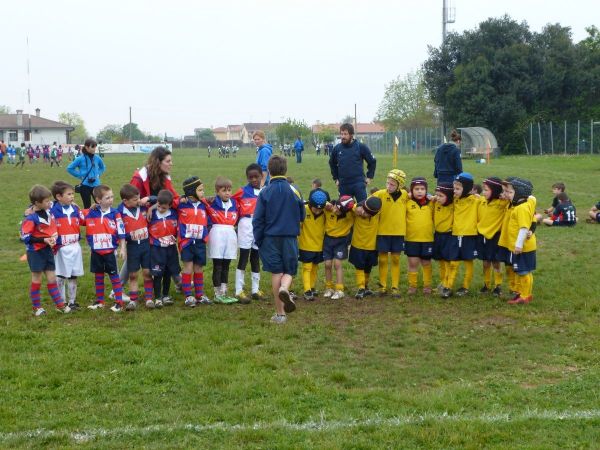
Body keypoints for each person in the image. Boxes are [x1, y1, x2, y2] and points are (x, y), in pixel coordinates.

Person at [253, 155, 305, 324]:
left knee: (276, 272)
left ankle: (280, 314)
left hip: (270, 238)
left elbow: (258, 219)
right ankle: (285, 288)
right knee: (289, 270)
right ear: (286, 169)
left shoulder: (265, 191)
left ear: (268, 171)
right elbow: (302, 215)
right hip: (290, 237)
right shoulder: (295, 190)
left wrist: (259, 240)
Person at [20, 185, 71, 316]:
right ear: (37, 203)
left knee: (52, 278)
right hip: (35, 252)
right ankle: (37, 307)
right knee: (37, 279)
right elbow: (25, 237)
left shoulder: (49, 211)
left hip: (47, 250)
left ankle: (59, 305)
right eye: (47, 201)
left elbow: (59, 203)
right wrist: (44, 240)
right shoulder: (31, 219)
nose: (50, 203)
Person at [82, 185, 126, 312]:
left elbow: (121, 232)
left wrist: (122, 248)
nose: (111, 199)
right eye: (108, 197)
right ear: (98, 200)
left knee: (114, 276)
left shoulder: (115, 213)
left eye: (112, 197)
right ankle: (100, 301)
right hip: (96, 252)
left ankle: (119, 302)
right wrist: (89, 208)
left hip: (110, 252)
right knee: (98, 276)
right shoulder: (91, 213)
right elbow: (77, 216)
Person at [117, 184, 155, 310]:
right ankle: (133, 300)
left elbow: (159, 199)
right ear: (125, 201)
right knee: (133, 274)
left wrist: (148, 198)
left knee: (147, 272)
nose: (138, 201)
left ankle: (149, 298)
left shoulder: (143, 206)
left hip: (145, 245)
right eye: (134, 199)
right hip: (132, 246)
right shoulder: (120, 212)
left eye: (139, 198)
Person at [441, 173, 478, 299]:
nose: (454, 191)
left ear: (467, 188)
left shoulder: (476, 200)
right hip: (455, 235)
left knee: (468, 262)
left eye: (458, 188)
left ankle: (465, 287)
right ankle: (448, 287)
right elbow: (440, 196)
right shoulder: (454, 199)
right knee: (453, 262)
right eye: (454, 188)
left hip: (469, 236)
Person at [373, 169, 408, 297]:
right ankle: (382, 287)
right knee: (382, 259)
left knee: (395, 258)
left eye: (392, 184)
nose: (389, 186)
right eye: (387, 183)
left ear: (400, 185)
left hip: (398, 233)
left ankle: (395, 287)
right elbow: (367, 203)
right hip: (383, 232)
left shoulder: (405, 195)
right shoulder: (380, 194)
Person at [50, 181, 84, 310]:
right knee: (61, 274)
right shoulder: (52, 210)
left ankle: (72, 301)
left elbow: (84, 220)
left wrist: (92, 209)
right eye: (69, 194)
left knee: (73, 274)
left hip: (75, 246)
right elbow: (38, 207)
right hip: (61, 247)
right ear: (59, 197)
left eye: (72, 194)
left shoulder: (75, 209)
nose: (72, 196)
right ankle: (61, 302)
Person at [204, 176, 239, 304]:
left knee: (226, 265)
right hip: (217, 234)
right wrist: (208, 197)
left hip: (230, 235)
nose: (227, 193)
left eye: (229, 190)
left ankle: (224, 291)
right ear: (217, 191)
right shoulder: (212, 202)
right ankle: (217, 293)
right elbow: (199, 199)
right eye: (224, 190)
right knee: (217, 265)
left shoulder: (235, 203)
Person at [232, 163, 264, 303]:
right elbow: (229, 200)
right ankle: (239, 290)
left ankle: (255, 289)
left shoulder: (265, 191)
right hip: (245, 224)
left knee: (256, 257)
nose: (253, 180)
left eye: (256, 177)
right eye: (250, 177)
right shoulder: (242, 191)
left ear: (261, 176)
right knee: (244, 257)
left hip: (259, 225)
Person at [178, 177, 212, 307]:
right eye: (200, 190)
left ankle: (199, 294)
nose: (203, 192)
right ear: (192, 191)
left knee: (199, 267)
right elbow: (167, 200)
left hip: (200, 242)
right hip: (187, 242)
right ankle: (188, 295)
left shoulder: (204, 205)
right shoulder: (181, 204)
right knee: (188, 267)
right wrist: (181, 197)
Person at [502, 178, 536, 304]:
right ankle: (522, 293)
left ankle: (525, 296)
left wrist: (518, 245)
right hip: (521, 246)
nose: (507, 195)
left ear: (520, 194)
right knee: (522, 271)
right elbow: (533, 198)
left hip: (523, 247)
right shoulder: (526, 203)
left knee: (523, 271)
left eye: (510, 192)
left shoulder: (521, 208)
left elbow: (523, 228)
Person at [476, 177, 508, 296]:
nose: (483, 192)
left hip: (495, 236)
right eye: (483, 190)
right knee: (485, 262)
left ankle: (498, 285)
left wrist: (504, 194)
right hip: (482, 236)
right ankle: (486, 284)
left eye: (486, 190)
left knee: (495, 262)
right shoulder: (482, 201)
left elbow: (512, 199)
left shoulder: (501, 203)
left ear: (494, 190)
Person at [329, 123, 376, 202]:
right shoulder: (337, 149)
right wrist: (336, 178)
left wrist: (369, 177)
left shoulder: (360, 147)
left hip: (359, 183)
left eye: (345, 134)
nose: (343, 136)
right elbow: (332, 164)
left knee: (362, 208)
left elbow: (372, 161)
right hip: (343, 184)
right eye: (341, 134)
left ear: (351, 135)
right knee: (344, 210)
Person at [148, 190, 180, 306]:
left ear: (170, 206)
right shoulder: (151, 215)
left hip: (171, 249)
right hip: (157, 249)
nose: (161, 209)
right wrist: (151, 208)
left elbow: (180, 199)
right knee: (157, 274)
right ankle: (157, 297)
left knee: (168, 273)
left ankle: (166, 295)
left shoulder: (174, 214)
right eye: (159, 206)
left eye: (164, 208)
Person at [404, 177, 434, 295]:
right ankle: (413, 286)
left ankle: (427, 285)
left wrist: (433, 197)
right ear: (412, 190)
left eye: (422, 189)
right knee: (413, 263)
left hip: (427, 239)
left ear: (426, 190)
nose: (420, 191)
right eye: (416, 189)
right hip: (412, 239)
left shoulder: (432, 203)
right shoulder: (407, 202)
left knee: (426, 263)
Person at [322, 195, 355, 300]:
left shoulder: (350, 215)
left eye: (338, 210)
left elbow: (357, 207)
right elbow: (318, 200)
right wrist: (327, 203)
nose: (335, 210)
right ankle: (329, 287)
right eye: (336, 206)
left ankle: (339, 289)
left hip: (341, 241)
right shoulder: (329, 209)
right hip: (327, 240)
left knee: (337, 264)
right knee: (327, 264)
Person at [349, 196, 382, 299]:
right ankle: (361, 287)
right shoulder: (357, 209)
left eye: (366, 212)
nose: (363, 213)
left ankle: (366, 286)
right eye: (363, 209)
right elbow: (350, 204)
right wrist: (359, 206)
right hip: (358, 245)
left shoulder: (378, 213)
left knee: (368, 267)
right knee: (359, 267)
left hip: (372, 246)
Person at [298, 189, 327, 300]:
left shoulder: (325, 212)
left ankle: (312, 286)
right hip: (305, 245)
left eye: (320, 209)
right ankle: (307, 290)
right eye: (315, 208)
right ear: (310, 204)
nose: (318, 211)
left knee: (315, 266)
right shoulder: (304, 210)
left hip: (319, 245)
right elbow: (299, 226)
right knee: (307, 267)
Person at [67, 138, 106, 209]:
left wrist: (98, 174)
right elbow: (69, 168)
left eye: (95, 147)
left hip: (96, 185)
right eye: (92, 147)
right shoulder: (80, 158)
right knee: (87, 207)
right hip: (85, 186)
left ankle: (100, 219)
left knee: (100, 205)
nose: (94, 149)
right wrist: (80, 175)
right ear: (86, 147)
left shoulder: (97, 158)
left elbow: (103, 167)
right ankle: (88, 219)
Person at [432, 183, 454, 294]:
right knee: (440, 260)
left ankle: (448, 284)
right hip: (438, 235)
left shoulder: (454, 205)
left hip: (449, 236)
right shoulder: (435, 203)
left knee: (447, 261)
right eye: (437, 195)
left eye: (441, 196)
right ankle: (442, 282)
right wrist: (433, 198)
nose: (438, 198)